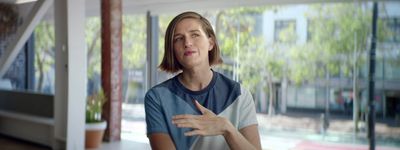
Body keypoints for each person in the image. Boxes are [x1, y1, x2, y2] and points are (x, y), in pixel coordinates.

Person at [144, 11, 261, 150]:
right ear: (172, 50)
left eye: (195, 35)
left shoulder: (239, 95)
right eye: (178, 38)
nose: (187, 42)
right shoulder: (156, 98)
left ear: (211, 42)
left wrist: (226, 128)